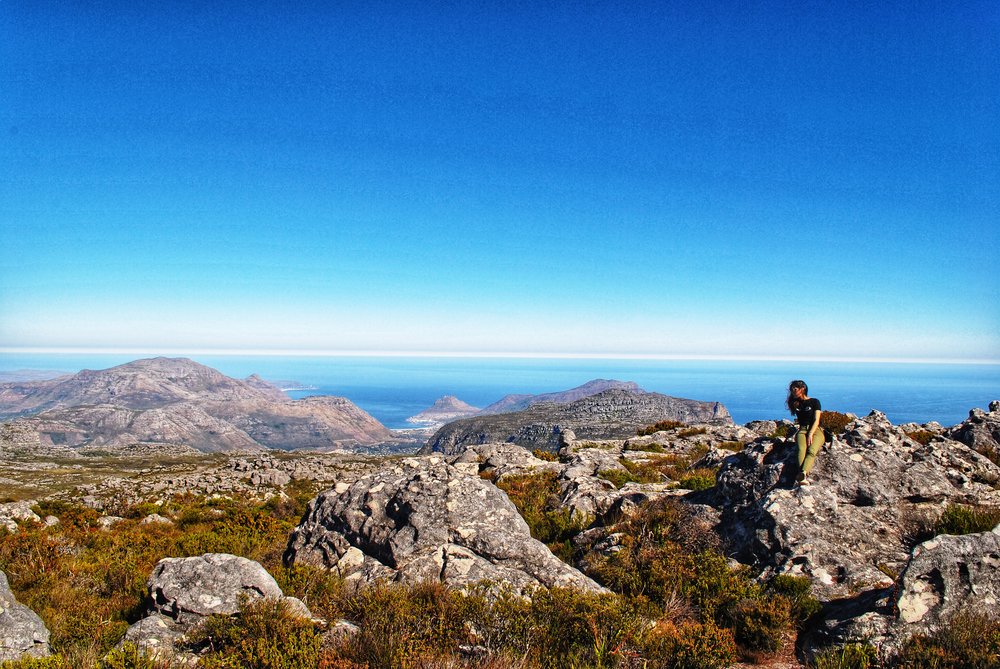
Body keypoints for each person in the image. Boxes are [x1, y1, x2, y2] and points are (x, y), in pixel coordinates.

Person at [787, 379, 823, 484]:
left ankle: (803, 473)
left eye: (795, 389)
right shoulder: (795, 404)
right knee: (801, 449)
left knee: (812, 450)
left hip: (816, 430)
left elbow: (817, 419)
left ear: (803, 389)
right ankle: (802, 476)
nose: (793, 391)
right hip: (802, 430)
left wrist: (811, 433)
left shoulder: (814, 402)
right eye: (792, 389)